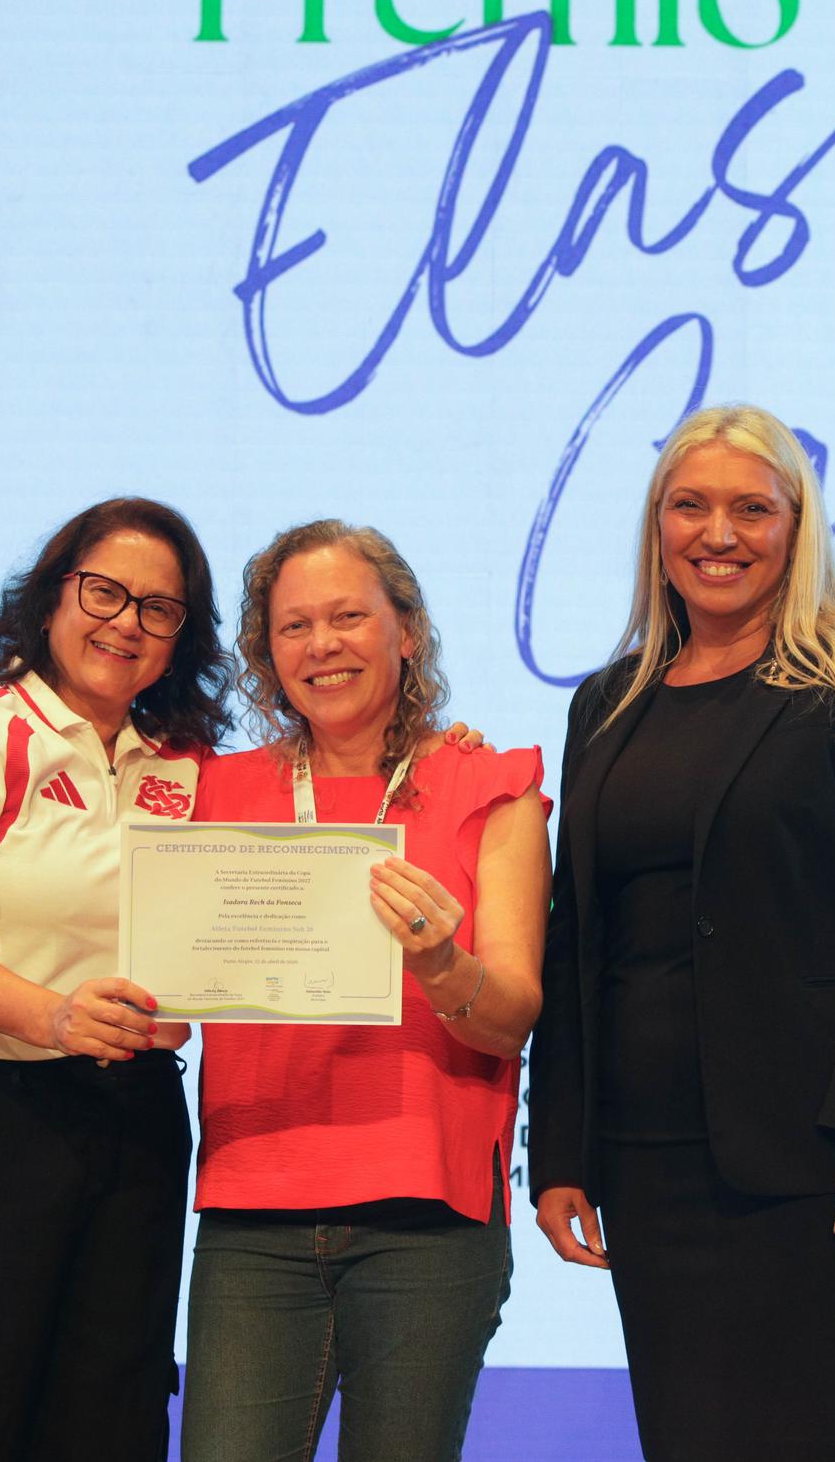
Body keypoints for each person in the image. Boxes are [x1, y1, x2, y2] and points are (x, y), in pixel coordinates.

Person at [527, 404, 835, 1461]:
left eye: (751, 509)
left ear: (796, 526)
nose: (718, 533)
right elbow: (577, 933)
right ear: (657, 527)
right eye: (689, 506)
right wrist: (560, 1149)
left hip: (830, 1158)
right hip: (651, 1167)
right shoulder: (607, 702)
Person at [0, 497, 232, 1462]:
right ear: (53, 594)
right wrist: (54, 1017)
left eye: (159, 608)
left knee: (111, 1419)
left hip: (135, 1120)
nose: (126, 623)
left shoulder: (191, 765)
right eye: (104, 592)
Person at [180, 520, 552, 1462]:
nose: (323, 644)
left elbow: (511, 1017)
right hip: (252, 1203)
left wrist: (442, 964)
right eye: (294, 625)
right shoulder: (212, 794)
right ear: (267, 653)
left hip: (426, 1216)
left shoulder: (489, 785)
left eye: (349, 616)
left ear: (407, 630)